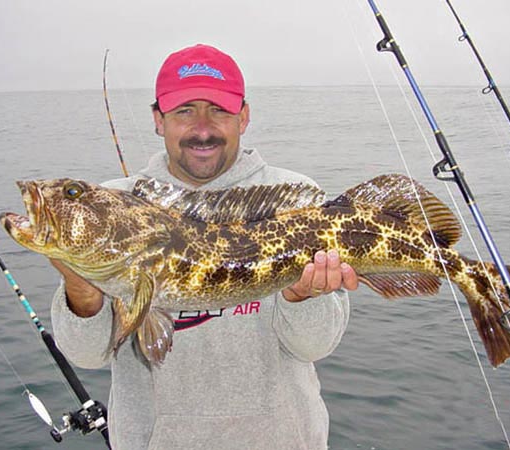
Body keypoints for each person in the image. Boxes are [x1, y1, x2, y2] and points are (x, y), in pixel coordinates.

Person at [50, 43, 359, 450]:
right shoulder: (117, 206)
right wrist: (83, 291)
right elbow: (86, 356)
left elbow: (315, 346)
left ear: (243, 117)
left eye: (218, 110)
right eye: (184, 111)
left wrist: (302, 296)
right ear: (158, 120)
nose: (202, 128)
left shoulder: (298, 201)